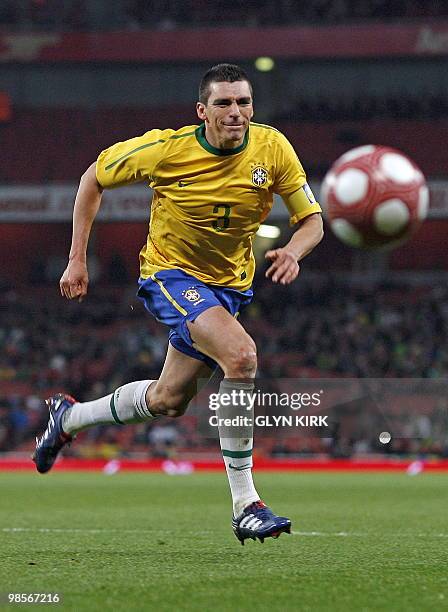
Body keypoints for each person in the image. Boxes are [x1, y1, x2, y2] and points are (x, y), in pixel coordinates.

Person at [33, 63, 323, 545]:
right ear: (202, 111)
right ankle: (246, 504)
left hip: (228, 287)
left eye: (244, 102)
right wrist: (76, 260)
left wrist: (293, 250)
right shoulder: (166, 150)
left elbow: (311, 219)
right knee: (242, 356)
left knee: (169, 400)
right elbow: (92, 179)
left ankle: (70, 418)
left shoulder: (273, 147)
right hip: (169, 275)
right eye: (225, 103)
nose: (236, 112)